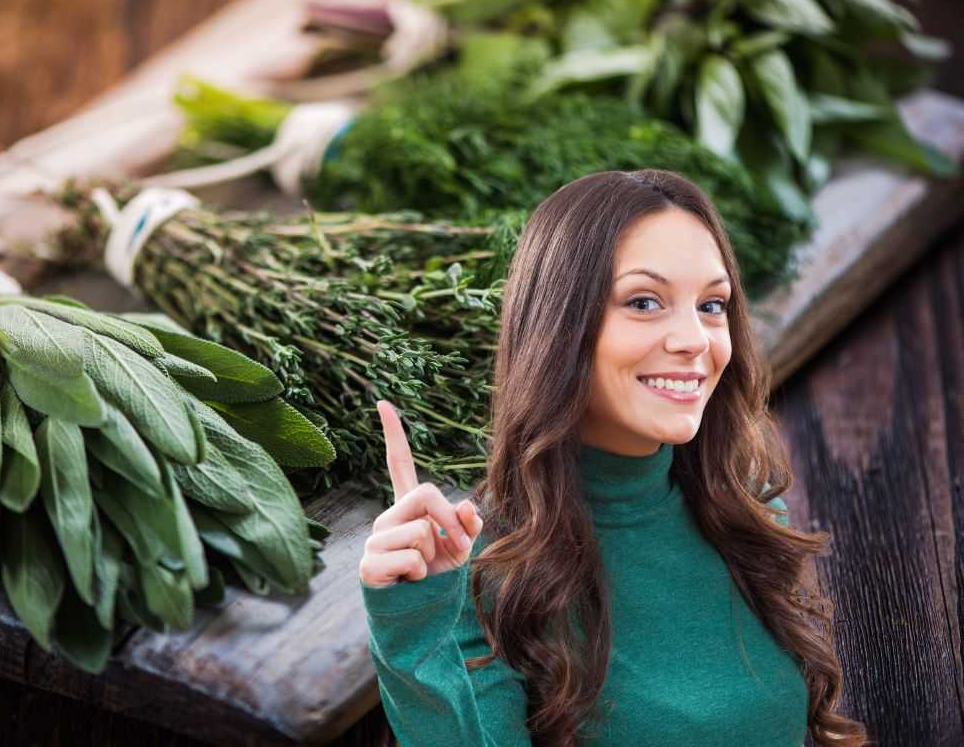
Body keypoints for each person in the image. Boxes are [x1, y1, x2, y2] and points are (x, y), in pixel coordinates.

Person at [357, 170, 870, 746]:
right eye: (645, 302)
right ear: (561, 326)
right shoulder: (482, 567)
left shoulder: (748, 516)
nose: (695, 339)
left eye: (711, 304)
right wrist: (418, 624)